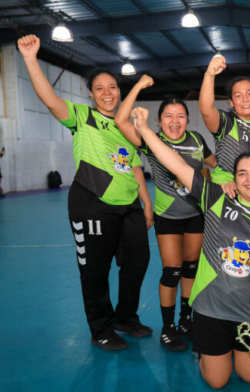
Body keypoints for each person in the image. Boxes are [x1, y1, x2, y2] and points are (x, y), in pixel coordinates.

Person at [17, 34, 151, 351]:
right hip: (92, 203)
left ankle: (125, 318)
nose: (107, 93)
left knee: (138, 261)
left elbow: (134, 167)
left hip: (129, 205)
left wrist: (146, 203)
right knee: (95, 271)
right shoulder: (81, 116)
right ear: (90, 93)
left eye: (112, 87)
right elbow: (50, 99)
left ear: (119, 91)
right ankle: (101, 328)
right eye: (99, 88)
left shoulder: (125, 126)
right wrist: (30, 59)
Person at [132, 106, 250, 389]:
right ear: (233, 178)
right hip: (211, 308)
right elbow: (176, 164)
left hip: (249, 310)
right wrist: (144, 130)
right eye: (242, 173)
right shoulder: (215, 198)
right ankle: (206, 350)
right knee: (217, 381)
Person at [115, 75, 217, 352]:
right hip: (168, 217)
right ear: (159, 121)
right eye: (168, 116)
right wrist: (137, 87)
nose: (175, 121)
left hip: (196, 215)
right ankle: (168, 328)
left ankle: (186, 320)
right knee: (172, 271)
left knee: (191, 268)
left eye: (181, 116)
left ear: (187, 120)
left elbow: (216, 164)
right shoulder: (152, 140)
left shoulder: (196, 139)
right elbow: (121, 121)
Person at [199, 55, 250, 189]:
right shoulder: (226, 122)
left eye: (249, 94)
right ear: (231, 102)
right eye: (238, 95)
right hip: (226, 187)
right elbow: (206, 109)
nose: (245, 99)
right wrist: (209, 75)